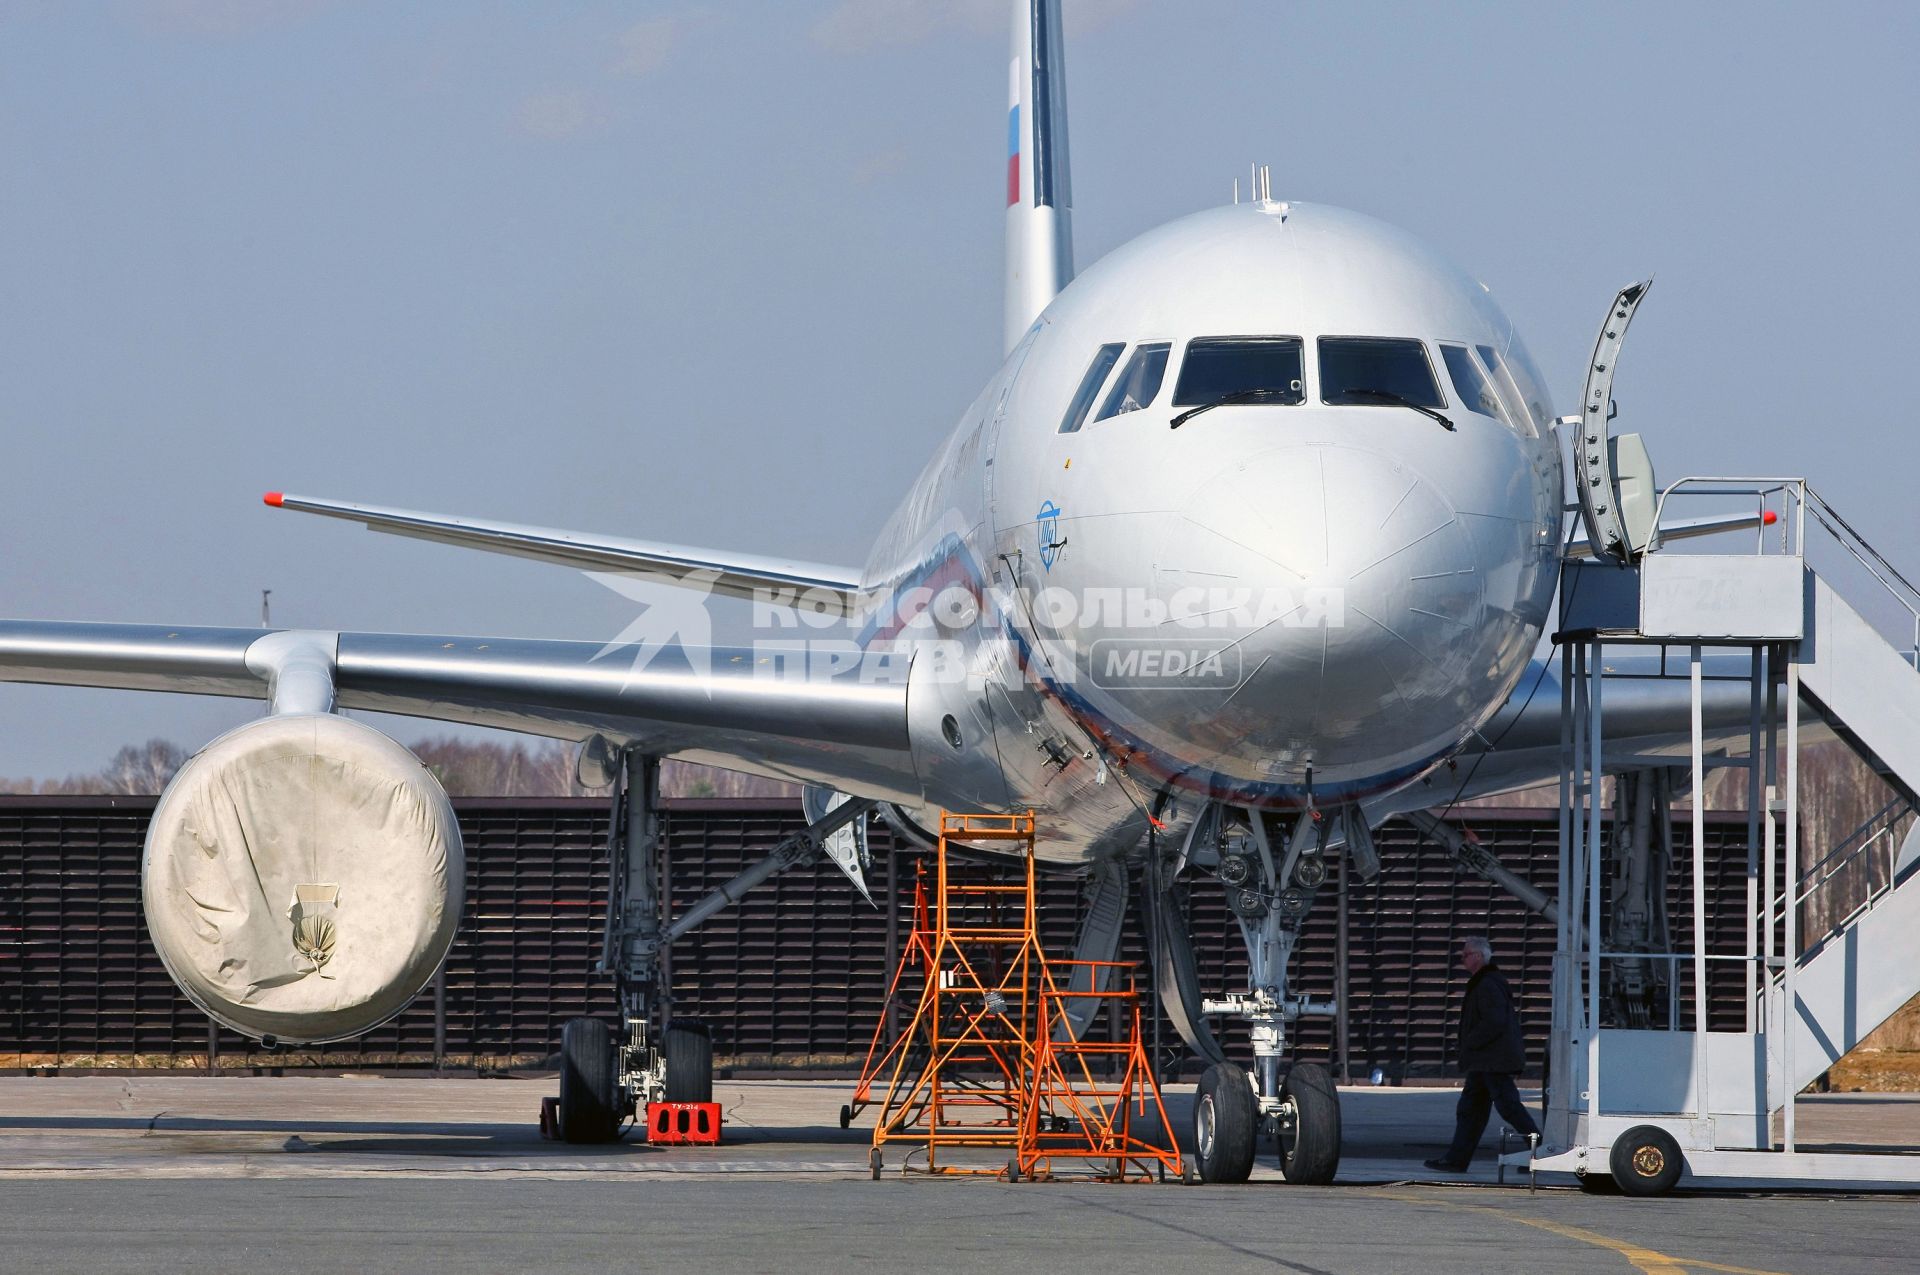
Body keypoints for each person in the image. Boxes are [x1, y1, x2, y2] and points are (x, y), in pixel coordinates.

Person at [1424, 935, 1540, 1172]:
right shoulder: (1486, 981)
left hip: (1492, 1061)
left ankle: (1538, 1152)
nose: (1462, 959)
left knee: (1507, 1108)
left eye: (1465, 955)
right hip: (1485, 1061)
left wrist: (1470, 1042)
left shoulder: (1487, 984)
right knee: (1472, 1112)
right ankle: (1456, 1160)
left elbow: (1494, 1021)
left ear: (1477, 956)